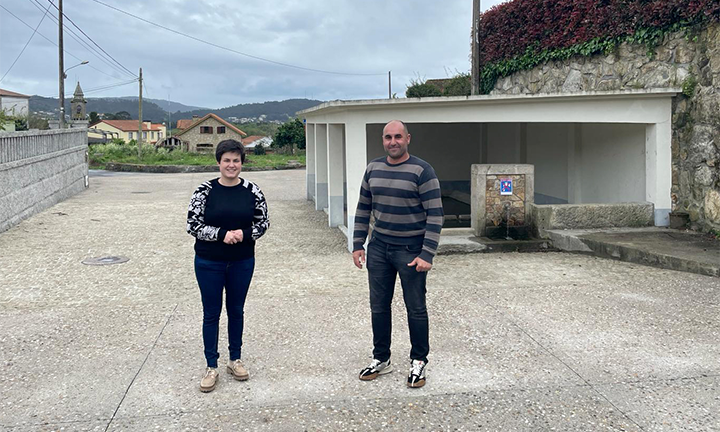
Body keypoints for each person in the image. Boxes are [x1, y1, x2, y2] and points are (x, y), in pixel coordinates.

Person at [352, 120, 444, 388]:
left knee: (416, 308)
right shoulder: (373, 168)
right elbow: (363, 208)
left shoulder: (422, 171)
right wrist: (358, 244)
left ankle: (419, 361)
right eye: (388, 137)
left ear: (408, 139)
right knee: (379, 306)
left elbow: (436, 215)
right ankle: (381, 358)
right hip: (379, 248)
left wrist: (427, 254)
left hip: (411, 251)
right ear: (383, 140)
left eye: (398, 137)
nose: (393, 142)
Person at [187, 139, 269, 393]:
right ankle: (211, 365)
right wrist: (221, 234)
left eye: (236, 160)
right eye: (227, 160)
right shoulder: (204, 190)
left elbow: (263, 223)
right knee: (211, 313)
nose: (231, 165)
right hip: (208, 261)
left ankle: (235, 359)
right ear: (219, 162)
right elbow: (193, 225)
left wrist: (244, 234)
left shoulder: (252, 190)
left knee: (236, 310)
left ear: (242, 163)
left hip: (242, 261)